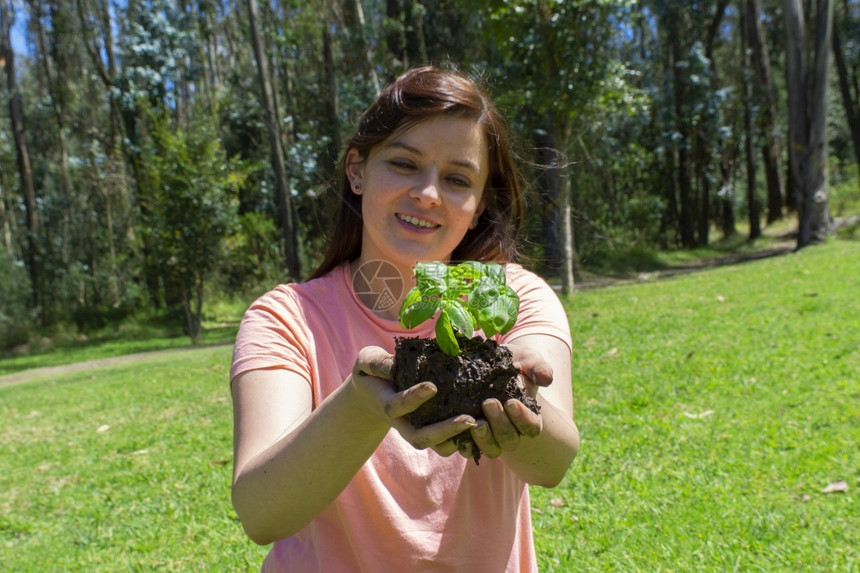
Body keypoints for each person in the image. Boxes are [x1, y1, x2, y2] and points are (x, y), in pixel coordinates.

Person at [230, 65, 580, 572]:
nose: (428, 193)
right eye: (404, 163)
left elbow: (554, 462)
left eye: (458, 178)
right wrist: (359, 404)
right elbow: (262, 513)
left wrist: (516, 395)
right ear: (357, 171)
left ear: (480, 202)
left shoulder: (513, 297)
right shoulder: (287, 318)